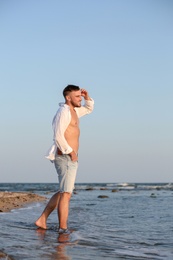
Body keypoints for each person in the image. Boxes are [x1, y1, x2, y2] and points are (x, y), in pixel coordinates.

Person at [35, 85, 94, 233]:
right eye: (77, 96)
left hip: (70, 157)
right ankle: (63, 229)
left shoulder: (74, 111)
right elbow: (58, 135)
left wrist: (87, 97)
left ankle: (42, 219)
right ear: (68, 98)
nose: (79, 99)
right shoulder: (63, 112)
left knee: (63, 192)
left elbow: (88, 109)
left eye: (80, 96)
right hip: (66, 156)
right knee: (66, 194)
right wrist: (70, 152)